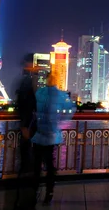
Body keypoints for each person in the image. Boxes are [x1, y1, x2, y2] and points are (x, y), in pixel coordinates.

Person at [31, 72, 76, 203]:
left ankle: (38, 192)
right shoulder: (59, 94)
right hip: (48, 134)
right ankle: (47, 192)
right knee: (47, 164)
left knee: (39, 165)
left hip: (42, 134)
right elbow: (71, 108)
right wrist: (60, 123)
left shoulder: (40, 93)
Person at [13, 67, 38, 210]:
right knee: (28, 167)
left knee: (28, 167)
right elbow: (27, 108)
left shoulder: (25, 83)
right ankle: (25, 205)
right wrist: (24, 126)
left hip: (29, 130)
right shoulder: (27, 84)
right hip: (28, 132)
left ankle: (25, 204)